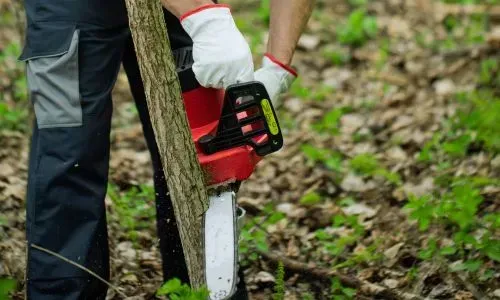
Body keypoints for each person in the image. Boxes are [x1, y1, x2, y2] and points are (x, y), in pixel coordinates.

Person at [20, 0, 314, 298]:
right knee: (68, 152)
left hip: (174, 8)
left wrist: (278, 69)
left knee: (196, 148)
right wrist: (204, 18)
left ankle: (201, 286)